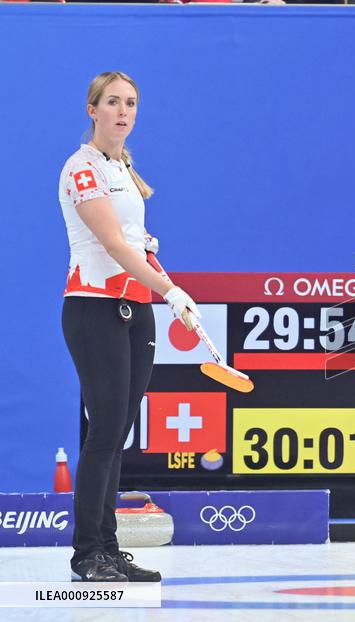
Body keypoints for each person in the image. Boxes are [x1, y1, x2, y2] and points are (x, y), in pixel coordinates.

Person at [60, 71, 200, 582]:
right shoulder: (81, 168)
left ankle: (109, 547)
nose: (123, 112)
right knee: (103, 431)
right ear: (92, 109)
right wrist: (169, 290)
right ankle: (87, 554)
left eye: (131, 103)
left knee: (118, 431)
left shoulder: (122, 167)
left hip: (135, 308)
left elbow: (138, 243)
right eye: (113, 102)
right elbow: (114, 245)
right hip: (93, 306)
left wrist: (169, 287)